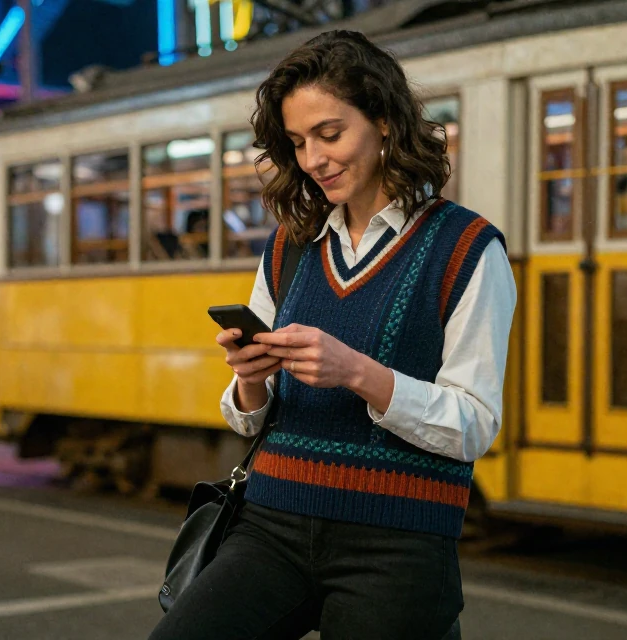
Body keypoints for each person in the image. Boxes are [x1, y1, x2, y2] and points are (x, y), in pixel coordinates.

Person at [150, 30, 516, 640]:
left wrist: (358, 374)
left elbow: (475, 424)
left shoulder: (468, 248)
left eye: (330, 134)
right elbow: (249, 420)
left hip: (397, 543)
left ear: (386, 124)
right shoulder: (289, 246)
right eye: (297, 143)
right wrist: (250, 383)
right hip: (270, 525)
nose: (313, 160)